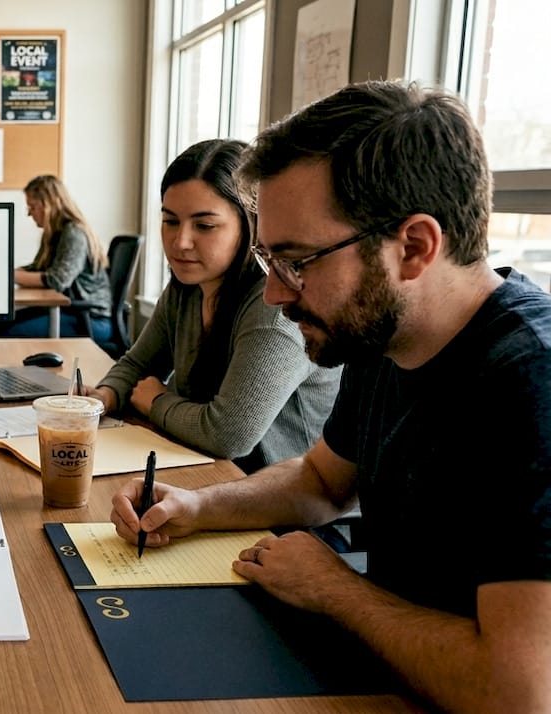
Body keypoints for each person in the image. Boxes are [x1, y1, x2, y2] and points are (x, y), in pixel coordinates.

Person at [111, 81, 551, 713]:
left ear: (415, 248)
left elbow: (519, 693)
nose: (276, 295)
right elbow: (321, 480)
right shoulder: (383, 337)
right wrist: (198, 504)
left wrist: (336, 589)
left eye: (298, 261)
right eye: (268, 261)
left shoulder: (528, 380)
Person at [86, 139, 339, 473]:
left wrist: (156, 401)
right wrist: (103, 397)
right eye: (170, 221)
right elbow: (138, 364)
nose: (181, 242)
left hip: (275, 501)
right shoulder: (187, 286)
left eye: (204, 226)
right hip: (205, 471)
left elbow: (229, 434)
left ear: (250, 226)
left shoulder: (274, 304)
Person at [0, 175, 112, 341]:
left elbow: (57, 280)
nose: (29, 213)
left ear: (48, 205)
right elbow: (38, 269)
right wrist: (2, 272)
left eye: (32, 207)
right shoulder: (54, 234)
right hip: (70, 311)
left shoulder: (74, 234)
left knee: (4, 334)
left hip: (90, 319)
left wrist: (8, 275)